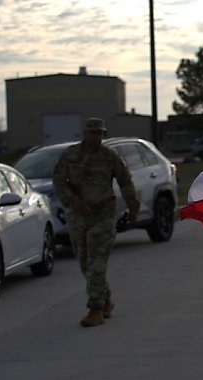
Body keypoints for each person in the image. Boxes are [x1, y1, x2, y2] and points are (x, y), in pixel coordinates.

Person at [53, 118, 140, 328]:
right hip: (78, 216)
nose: (96, 137)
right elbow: (58, 180)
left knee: (97, 262)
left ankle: (95, 308)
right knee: (85, 262)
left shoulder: (109, 157)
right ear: (84, 134)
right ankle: (106, 298)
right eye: (92, 133)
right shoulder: (70, 155)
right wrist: (73, 201)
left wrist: (133, 207)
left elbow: (125, 181)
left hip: (103, 214)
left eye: (99, 133)